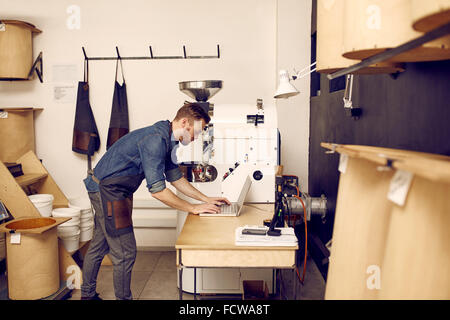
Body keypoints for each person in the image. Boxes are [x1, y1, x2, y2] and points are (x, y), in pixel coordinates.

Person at [80, 103, 230, 300]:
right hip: (107, 190)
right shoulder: (155, 140)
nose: (196, 138)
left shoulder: (168, 140)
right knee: (125, 253)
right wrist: (192, 208)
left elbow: (175, 178)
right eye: (196, 131)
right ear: (184, 122)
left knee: (100, 244)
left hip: (117, 190)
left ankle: (87, 295)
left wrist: (205, 198)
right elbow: (158, 190)